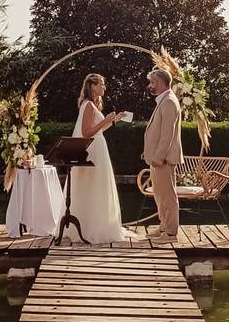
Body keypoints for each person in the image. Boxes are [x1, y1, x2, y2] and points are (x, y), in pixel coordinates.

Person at [68, 73, 135, 243]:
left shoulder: (93, 104)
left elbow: (98, 130)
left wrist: (114, 120)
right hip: (94, 150)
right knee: (95, 185)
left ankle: (97, 224)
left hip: (99, 149)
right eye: (102, 84)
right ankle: (92, 227)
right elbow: (86, 133)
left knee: (97, 186)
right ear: (92, 85)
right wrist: (104, 120)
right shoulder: (88, 105)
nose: (104, 87)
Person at [142, 69, 183, 238]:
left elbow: (168, 135)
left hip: (163, 160)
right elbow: (158, 133)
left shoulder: (168, 102)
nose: (150, 85)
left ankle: (171, 232)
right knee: (160, 195)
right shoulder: (164, 100)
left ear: (159, 82)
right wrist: (149, 153)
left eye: (152, 82)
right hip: (157, 159)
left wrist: (158, 157)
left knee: (167, 196)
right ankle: (163, 227)